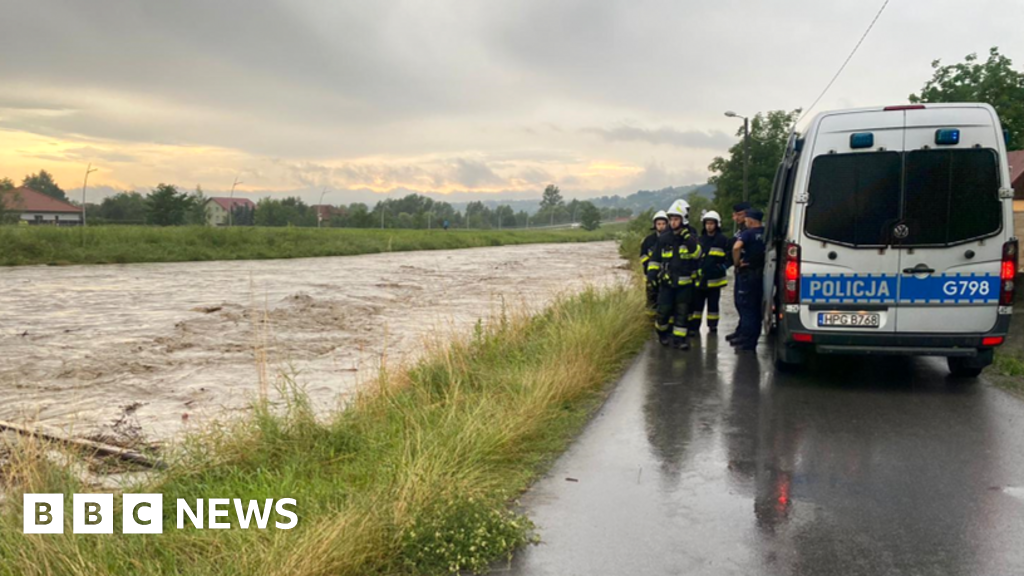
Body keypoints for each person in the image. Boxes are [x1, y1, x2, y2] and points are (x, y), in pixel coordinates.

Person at [647, 199, 701, 350]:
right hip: (667, 283)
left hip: (685, 284)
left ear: (683, 220)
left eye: (676, 219)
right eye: (671, 219)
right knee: (663, 312)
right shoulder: (664, 237)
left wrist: (687, 239)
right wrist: (652, 275)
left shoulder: (691, 236)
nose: (673, 222)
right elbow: (655, 259)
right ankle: (662, 334)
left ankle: (680, 339)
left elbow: (697, 255)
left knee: (682, 313)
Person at [731, 209, 766, 352]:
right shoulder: (766, 233)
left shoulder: (748, 234)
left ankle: (746, 342)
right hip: (762, 274)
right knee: (757, 309)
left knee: (746, 308)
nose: (745, 222)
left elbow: (736, 247)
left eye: (746, 220)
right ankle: (752, 341)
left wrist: (737, 263)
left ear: (751, 220)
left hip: (748, 274)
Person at [690, 211, 730, 334]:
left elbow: (729, 257)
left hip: (715, 280)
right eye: (707, 223)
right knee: (697, 306)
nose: (709, 226)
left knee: (713, 306)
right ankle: (694, 327)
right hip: (700, 279)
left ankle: (713, 327)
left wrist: (723, 266)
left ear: (717, 224)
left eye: (711, 223)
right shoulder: (699, 240)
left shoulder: (723, 240)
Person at [725, 201, 751, 343]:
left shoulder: (749, 229)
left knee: (745, 304)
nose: (735, 218)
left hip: (747, 269)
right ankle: (741, 330)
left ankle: (745, 334)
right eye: (735, 215)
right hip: (739, 271)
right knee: (738, 302)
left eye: (738, 215)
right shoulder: (741, 230)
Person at [640, 210, 669, 314]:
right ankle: (650, 323)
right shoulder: (648, 240)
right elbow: (643, 255)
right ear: (655, 225)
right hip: (650, 276)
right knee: (651, 300)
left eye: (663, 224)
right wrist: (649, 266)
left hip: (666, 276)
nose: (661, 226)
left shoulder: (671, 239)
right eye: (658, 224)